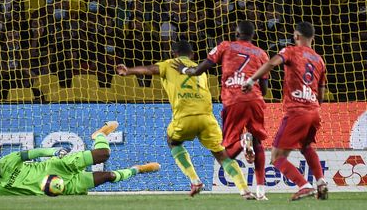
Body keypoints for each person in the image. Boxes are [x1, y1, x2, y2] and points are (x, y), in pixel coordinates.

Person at [116, 40, 256, 199]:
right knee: (222, 156)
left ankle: (195, 180)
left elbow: (150, 69)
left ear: (174, 53)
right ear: (192, 55)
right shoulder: (199, 70)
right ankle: (244, 190)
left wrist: (129, 71)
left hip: (185, 118)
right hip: (207, 119)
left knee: (172, 141)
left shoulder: (169, 64)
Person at [172, 21, 269, 200]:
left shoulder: (225, 46)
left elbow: (201, 69)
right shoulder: (262, 54)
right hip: (255, 100)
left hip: (233, 99)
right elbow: (264, 88)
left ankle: (242, 143)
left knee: (228, 151)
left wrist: (185, 69)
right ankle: (261, 191)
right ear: (252, 36)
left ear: (236, 33)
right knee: (258, 142)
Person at [241, 21, 328, 201]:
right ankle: (321, 183)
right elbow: (321, 93)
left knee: (276, 157)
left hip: (297, 111)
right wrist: (313, 105)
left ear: (296, 36)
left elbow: (272, 63)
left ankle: (304, 186)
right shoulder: (319, 60)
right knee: (306, 147)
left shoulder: (290, 51)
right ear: (312, 38)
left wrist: (252, 80)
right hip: (314, 111)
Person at [0, 121, 160, 196]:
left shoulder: (10, 160)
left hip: (58, 165)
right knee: (108, 176)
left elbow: (34, 153)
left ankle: (99, 134)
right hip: (62, 187)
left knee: (104, 154)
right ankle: (138, 169)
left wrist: (53, 152)